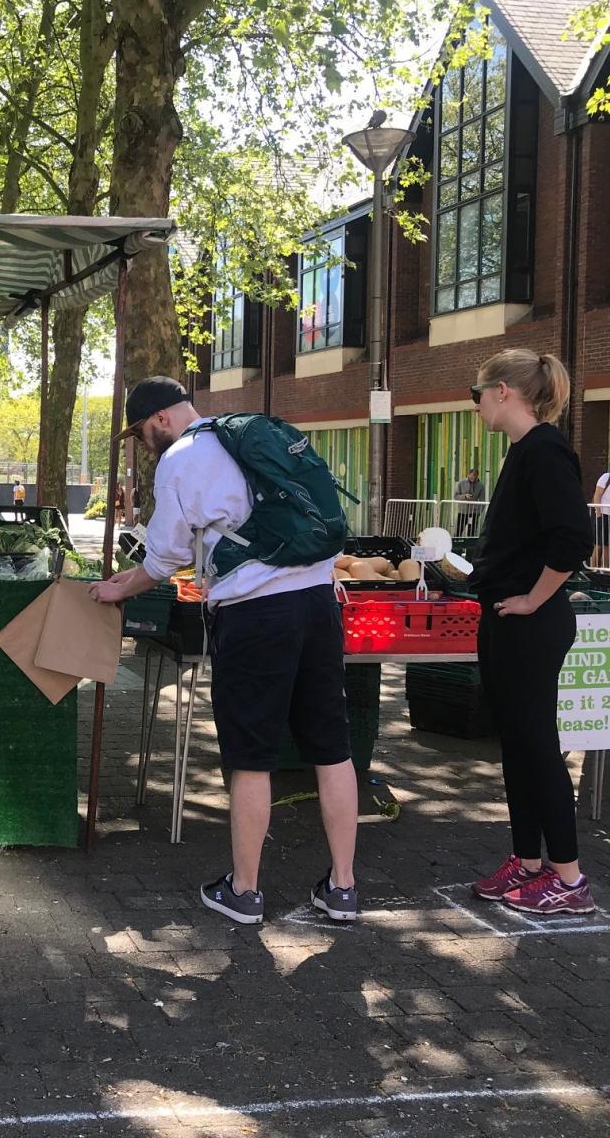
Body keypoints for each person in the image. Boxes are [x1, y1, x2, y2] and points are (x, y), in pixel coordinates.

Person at [88, 377, 358, 926]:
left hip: (256, 613)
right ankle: (344, 888)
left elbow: (164, 559)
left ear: (160, 418)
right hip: (318, 600)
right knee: (332, 747)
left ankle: (246, 891)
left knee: (250, 755)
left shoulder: (181, 458)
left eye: (140, 433)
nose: (143, 445)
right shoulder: (242, 434)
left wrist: (119, 587)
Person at [467, 350, 595, 915]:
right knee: (517, 745)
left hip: (531, 622)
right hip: (506, 616)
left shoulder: (545, 449)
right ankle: (529, 862)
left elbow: (572, 539)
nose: (474, 406)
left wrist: (531, 599)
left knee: (538, 746)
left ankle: (569, 880)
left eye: (477, 394)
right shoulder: (526, 450)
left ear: (502, 392)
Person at [454, 467, 486, 536]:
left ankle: (469, 546)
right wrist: (464, 496)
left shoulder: (481, 486)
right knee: (458, 531)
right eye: (471, 477)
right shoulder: (461, 483)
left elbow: (482, 501)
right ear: (468, 475)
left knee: (471, 532)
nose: (473, 479)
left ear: (477, 476)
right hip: (462, 512)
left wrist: (478, 512)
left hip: (474, 513)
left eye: (475, 477)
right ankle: (456, 545)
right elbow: (456, 496)